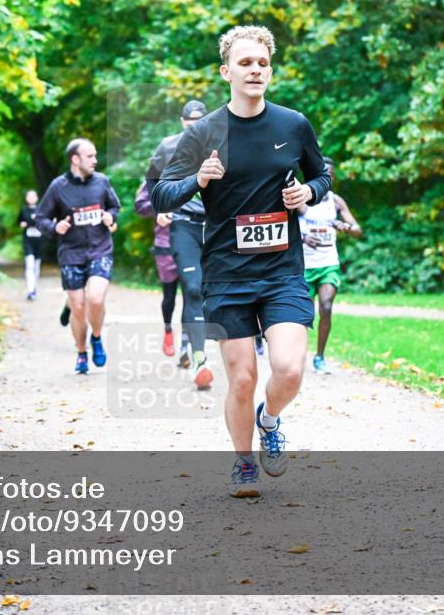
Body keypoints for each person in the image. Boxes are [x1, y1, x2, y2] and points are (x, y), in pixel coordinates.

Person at [152, 25, 331, 496]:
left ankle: (269, 421)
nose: (255, 70)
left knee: (289, 368)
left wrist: (307, 192)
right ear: (225, 70)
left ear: (270, 69)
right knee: (244, 375)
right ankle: (243, 462)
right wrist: (199, 179)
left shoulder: (293, 125)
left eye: (263, 63)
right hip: (227, 273)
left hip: (281, 271)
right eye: (246, 63)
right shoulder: (205, 132)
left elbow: (322, 173)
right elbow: (160, 194)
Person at [36, 138, 121, 375]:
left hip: (99, 249)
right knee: (78, 306)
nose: (95, 160)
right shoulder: (58, 187)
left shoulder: (102, 182)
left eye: (95, 156)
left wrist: (109, 217)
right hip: (71, 254)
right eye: (90, 156)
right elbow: (41, 217)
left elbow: (115, 208)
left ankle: (96, 337)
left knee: (95, 299)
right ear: (75, 159)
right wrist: (55, 228)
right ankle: (82, 353)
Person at [144, 99, 213, 387]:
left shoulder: (223, 143)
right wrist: (160, 207)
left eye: (199, 122)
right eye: (189, 124)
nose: (194, 128)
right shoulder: (168, 146)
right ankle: (199, 358)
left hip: (216, 227)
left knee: (218, 291)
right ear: (182, 123)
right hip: (183, 225)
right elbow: (151, 179)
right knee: (193, 289)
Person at [299, 156, 362, 374]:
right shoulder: (302, 200)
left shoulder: (335, 201)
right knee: (303, 315)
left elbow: (357, 230)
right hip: (305, 266)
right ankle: (298, 356)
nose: (327, 177)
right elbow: (284, 229)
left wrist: (343, 226)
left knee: (326, 306)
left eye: (331, 175)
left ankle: (320, 357)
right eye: (323, 173)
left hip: (328, 264)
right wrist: (303, 238)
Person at [134, 181, 185, 359]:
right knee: (169, 297)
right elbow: (140, 207)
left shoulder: (195, 175)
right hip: (165, 246)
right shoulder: (152, 182)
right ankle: (168, 330)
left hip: (191, 245)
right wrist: (160, 208)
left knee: (192, 294)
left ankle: (186, 344)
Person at [18, 189, 45, 301]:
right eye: (29, 196)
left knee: (36, 266)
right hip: (27, 241)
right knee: (30, 265)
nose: (31, 198)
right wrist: (22, 224)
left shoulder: (41, 210)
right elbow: (19, 222)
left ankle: (34, 287)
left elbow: (45, 222)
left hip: (38, 242)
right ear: (26, 198)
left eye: (33, 196)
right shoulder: (23, 210)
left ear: (37, 198)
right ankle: (31, 290)